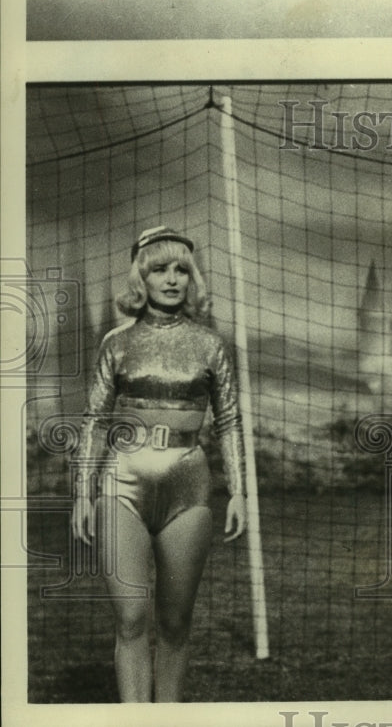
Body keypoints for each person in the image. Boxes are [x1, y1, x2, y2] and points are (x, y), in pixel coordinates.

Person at [71, 225, 247, 702]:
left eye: (182, 270)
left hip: (188, 488)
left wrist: (239, 492)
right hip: (121, 485)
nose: (172, 280)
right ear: (140, 278)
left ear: (192, 279)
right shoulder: (116, 342)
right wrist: (83, 493)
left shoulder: (211, 346)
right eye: (159, 269)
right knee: (130, 619)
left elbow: (229, 421)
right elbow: (94, 420)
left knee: (174, 624)